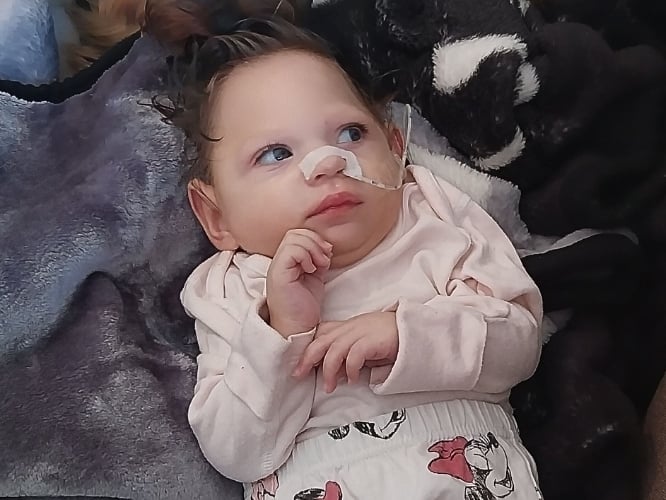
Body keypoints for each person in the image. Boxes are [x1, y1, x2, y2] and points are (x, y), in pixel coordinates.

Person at [148, 3, 544, 498]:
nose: (327, 161)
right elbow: (236, 453)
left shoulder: (433, 212)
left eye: (351, 134)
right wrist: (282, 331)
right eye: (276, 154)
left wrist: (407, 335)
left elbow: (520, 344)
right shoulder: (230, 288)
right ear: (217, 217)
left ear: (395, 149)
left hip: (466, 467)